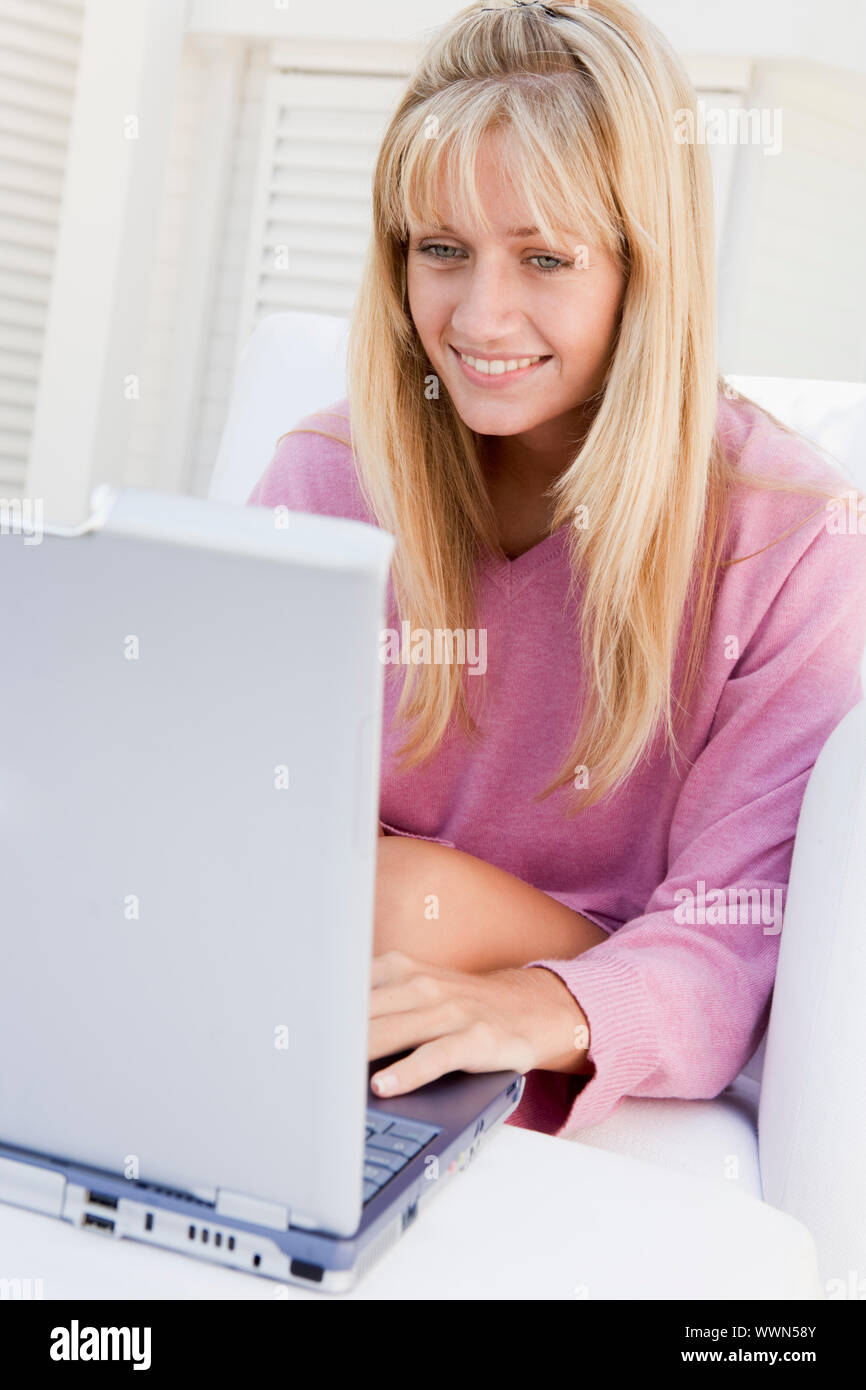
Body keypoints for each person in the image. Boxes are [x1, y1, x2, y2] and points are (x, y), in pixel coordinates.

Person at [247, 0, 866, 1137]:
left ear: (645, 271)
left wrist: (532, 997)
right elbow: (237, 823)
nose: (480, 316)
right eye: (441, 249)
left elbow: (729, 932)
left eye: (544, 257)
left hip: (558, 1050)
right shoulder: (323, 477)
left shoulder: (787, 541)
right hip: (317, 1020)